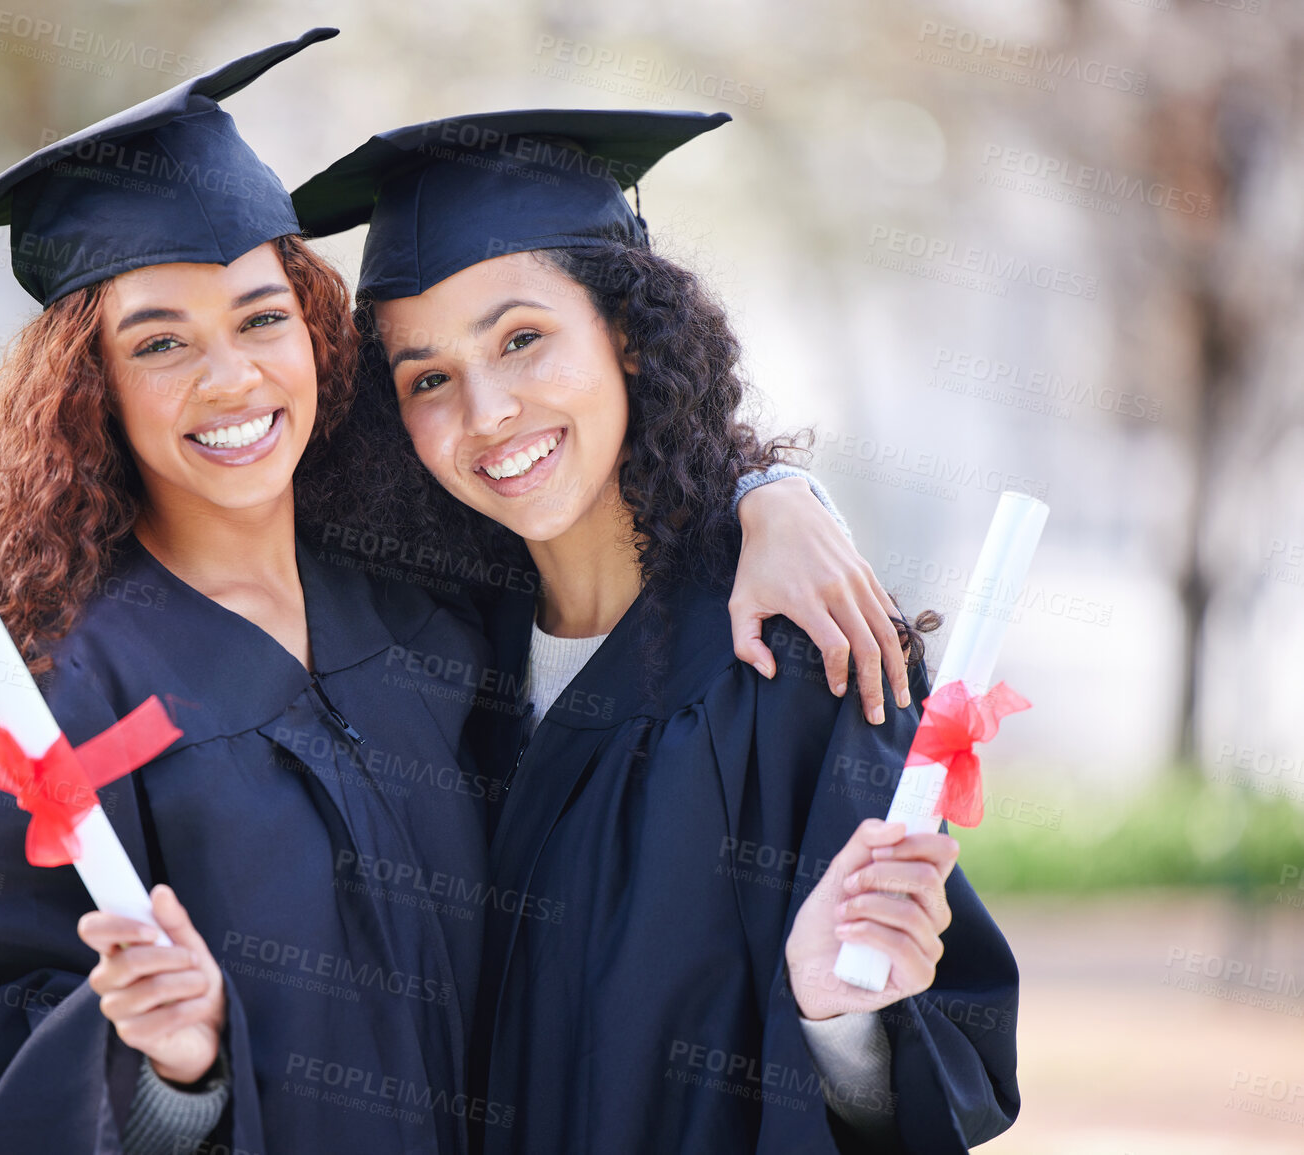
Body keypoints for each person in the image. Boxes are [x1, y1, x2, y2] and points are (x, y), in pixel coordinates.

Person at [0, 32, 914, 1152]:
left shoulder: (433, 609)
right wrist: (166, 1076)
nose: (231, 376)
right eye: (159, 342)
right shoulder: (78, 700)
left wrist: (771, 489)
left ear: (314, 332)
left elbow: (598, 521)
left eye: (262, 317)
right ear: (85, 390)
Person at [292, 108, 1021, 1154]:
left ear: (628, 331)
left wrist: (843, 1018)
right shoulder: (429, 662)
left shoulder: (791, 657)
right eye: (428, 378)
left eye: (525, 338)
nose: (487, 409)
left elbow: (939, 1082)